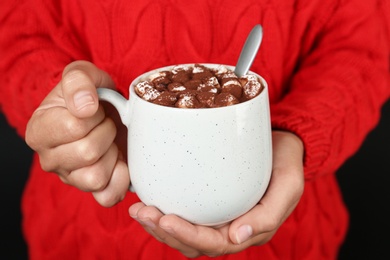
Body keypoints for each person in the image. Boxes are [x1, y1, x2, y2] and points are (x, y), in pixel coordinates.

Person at [0, 0, 389, 259]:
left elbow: (363, 42)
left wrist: (296, 134)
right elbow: (15, 31)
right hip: (83, 238)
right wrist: (68, 112)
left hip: (292, 238)